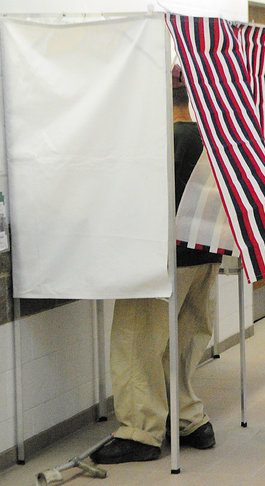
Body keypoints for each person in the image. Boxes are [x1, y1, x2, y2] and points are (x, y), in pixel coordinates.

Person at [91, 65, 222, 464]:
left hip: (165, 260)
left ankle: (140, 432)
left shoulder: (164, 141)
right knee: (182, 341)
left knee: (135, 342)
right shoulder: (209, 136)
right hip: (204, 255)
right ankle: (189, 419)